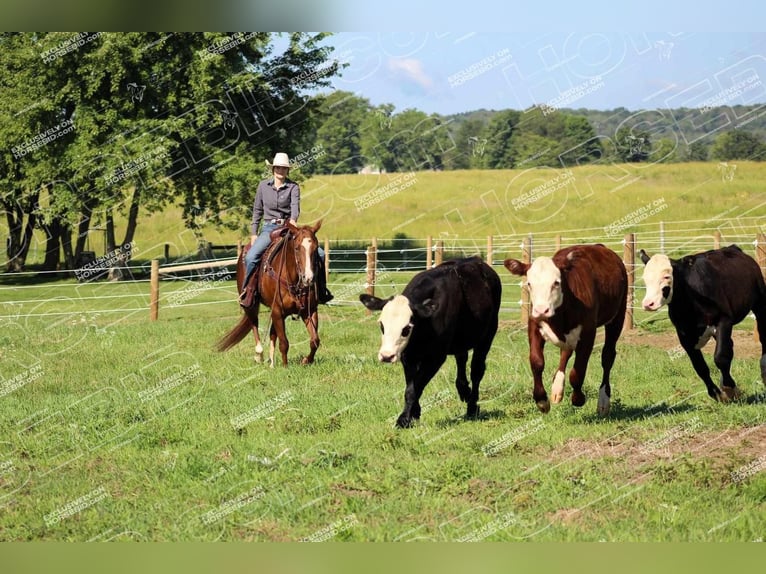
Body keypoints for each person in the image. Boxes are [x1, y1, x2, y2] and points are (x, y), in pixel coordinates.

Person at [239, 152, 333, 308]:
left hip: (288, 227)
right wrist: (254, 233)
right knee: (251, 257)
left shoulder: (293, 187)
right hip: (269, 228)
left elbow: (295, 208)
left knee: (321, 254)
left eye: (283, 168)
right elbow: (257, 211)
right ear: (273, 169)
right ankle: (248, 291)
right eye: (278, 168)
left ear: (287, 170)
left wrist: (293, 221)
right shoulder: (263, 186)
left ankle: (321, 291)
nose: (280, 171)